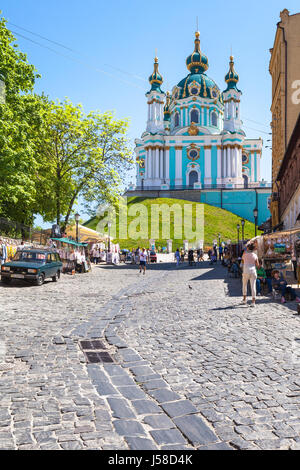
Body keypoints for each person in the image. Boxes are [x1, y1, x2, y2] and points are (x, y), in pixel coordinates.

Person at [241, 243, 259, 307]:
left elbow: (242, 261)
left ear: (248, 248)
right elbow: (257, 265)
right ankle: (253, 302)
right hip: (253, 271)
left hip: (246, 270)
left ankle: (244, 299)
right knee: (253, 286)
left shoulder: (244, 254)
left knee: (244, 285)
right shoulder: (255, 255)